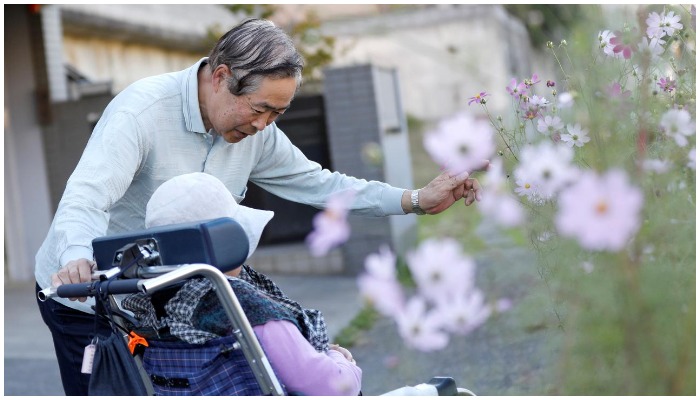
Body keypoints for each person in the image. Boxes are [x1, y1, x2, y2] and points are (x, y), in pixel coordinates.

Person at [35, 18, 485, 396]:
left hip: (179, 299)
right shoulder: (142, 112)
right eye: (259, 109)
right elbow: (87, 197)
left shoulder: (257, 132)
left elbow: (321, 185)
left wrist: (415, 201)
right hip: (90, 299)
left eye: (277, 114)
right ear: (221, 77)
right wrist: (76, 258)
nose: (263, 125)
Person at [120, 172, 361, 395]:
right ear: (225, 239)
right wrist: (340, 359)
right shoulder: (240, 305)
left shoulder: (154, 305)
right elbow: (331, 387)